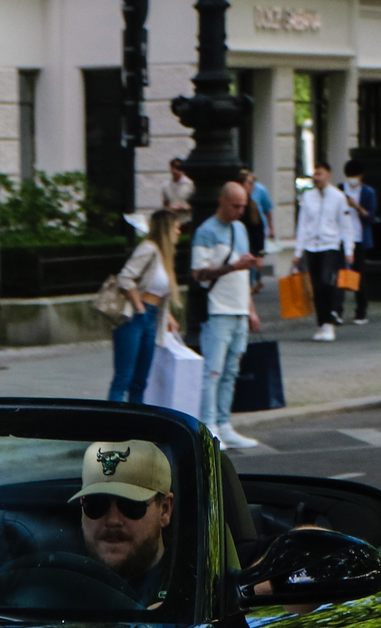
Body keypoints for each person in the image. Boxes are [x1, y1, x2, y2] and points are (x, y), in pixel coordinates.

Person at [190, 182, 264, 449]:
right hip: (217, 309)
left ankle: (224, 424)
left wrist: (251, 310)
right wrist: (235, 266)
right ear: (222, 201)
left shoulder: (240, 229)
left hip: (238, 308)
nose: (240, 211)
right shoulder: (206, 231)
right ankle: (209, 425)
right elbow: (199, 273)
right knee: (214, 369)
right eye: (236, 205)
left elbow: (245, 275)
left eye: (243, 206)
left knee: (231, 370)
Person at [70, 439, 173, 606]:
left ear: (165, 510)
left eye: (131, 505)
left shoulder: (188, 590)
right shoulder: (62, 583)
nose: (112, 520)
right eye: (96, 505)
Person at [107, 210, 182, 403]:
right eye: (175, 227)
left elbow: (160, 293)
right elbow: (125, 277)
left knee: (140, 381)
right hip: (134, 317)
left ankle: (136, 424)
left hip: (153, 317)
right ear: (165, 229)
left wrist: (168, 318)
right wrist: (139, 307)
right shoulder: (148, 248)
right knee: (124, 378)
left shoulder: (165, 256)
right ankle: (112, 424)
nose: (179, 232)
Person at [293, 165, 358, 342]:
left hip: (330, 245)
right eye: (314, 174)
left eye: (320, 174)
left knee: (326, 282)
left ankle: (330, 322)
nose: (316, 177)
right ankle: (321, 323)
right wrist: (298, 251)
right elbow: (303, 224)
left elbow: (346, 224)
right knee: (315, 287)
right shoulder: (308, 196)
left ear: (328, 175)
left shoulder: (337, 197)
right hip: (312, 246)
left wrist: (349, 249)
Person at [340, 159, 377, 324]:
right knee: (340, 275)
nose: (351, 179)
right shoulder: (340, 190)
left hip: (360, 238)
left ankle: (361, 311)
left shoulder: (368, 192)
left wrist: (356, 206)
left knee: (359, 276)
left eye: (354, 176)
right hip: (341, 238)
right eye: (349, 176)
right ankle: (337, 311)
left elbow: (370, 217)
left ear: (360, 176)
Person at [239, 168, 274, 255]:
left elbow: (258, 225)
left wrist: (271, 228)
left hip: (253, 244)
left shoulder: (253, 202)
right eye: (249, 183)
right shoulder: (240, 202)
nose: (252, 186)